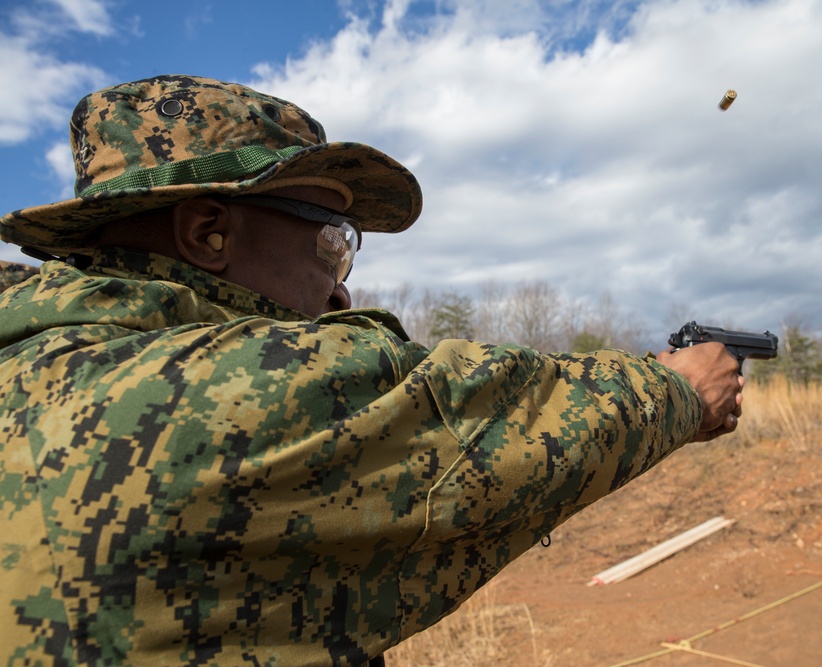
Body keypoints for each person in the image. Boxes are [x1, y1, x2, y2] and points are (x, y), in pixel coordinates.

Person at [0, 75, 743, 666]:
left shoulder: (33, 357)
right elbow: (493, 420)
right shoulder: (208, 388)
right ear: (207, 231)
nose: (341, 286)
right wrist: (682, 387)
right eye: (331, 241)